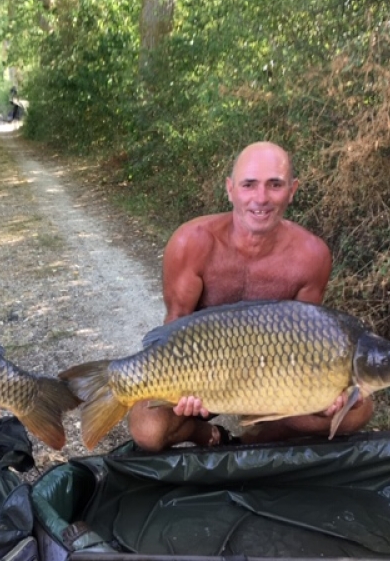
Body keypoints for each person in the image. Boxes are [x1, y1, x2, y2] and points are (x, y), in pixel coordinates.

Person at [127, 141, 373, 451]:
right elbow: (175, 327)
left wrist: (326, 395)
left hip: (270, 380)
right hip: (203, 375)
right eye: (248, 185)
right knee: (147, 430)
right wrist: (184, 394)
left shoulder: (312, 256)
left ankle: (259, 439)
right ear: (230, 189)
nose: (261, 198)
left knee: (357, 411)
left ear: (292, 189)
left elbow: (308, 340)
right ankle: (208, 436)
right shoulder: (191, 242)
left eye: (275, 185)